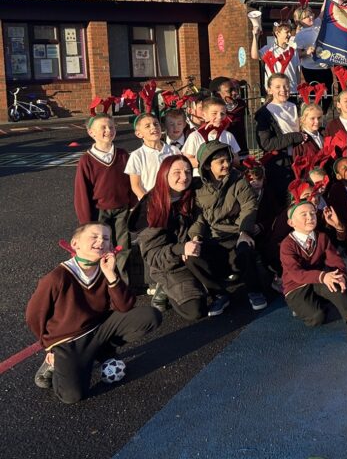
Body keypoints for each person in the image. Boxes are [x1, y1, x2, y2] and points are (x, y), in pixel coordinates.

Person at [26, 222, 161, 403]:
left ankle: (102, 350)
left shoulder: (105, 269)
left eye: (106, 238)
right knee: (72, 396)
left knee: (150, 316)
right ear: (75, 244)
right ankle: (54, 363)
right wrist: (49, 347)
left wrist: (111, 275)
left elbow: (125, 306)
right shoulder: (56, 278)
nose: (101, 241)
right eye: (94, 236)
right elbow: (33, 316)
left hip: (99, 328)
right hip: (69, 341)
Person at [135, 156, 225, 318]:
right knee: (195, 311)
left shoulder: (196, 190)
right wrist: (181, 249)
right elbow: (152, 255)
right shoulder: (151, 207)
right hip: (170, 264)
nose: (184, 177)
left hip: (196, 252)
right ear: (164, 174)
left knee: (234, 265)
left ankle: (203, 281)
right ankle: (164, 286)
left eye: (188, 172)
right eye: (177, 172)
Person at [189, 142, 267, 314]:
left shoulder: (238, 180)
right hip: (213, 236)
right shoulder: (199, 188)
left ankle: (255, 291)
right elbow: (199, 217)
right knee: (192, 257)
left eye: (227, 160)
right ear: (208, 165)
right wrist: (195, 237)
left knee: (245, 249)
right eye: (220, 162)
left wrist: (244, 231)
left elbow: (249, 205)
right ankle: (218, 295)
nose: (226, 164)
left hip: (235, 232)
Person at [279, 200, 347, 339]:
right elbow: (296, 274)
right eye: (304, 214)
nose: (310, 217)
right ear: (291, 223)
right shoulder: (287, 245)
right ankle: (308, 305)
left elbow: (335, 260)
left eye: (312, 213)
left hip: (320, 279)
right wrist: (322, 276)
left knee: (334, 281)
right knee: (316, 318)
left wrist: (341, 275)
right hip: (297, 285)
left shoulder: (321, 237)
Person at [73, 113, 135, 282]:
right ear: (91, 132)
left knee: (123, 246)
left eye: (112, 127)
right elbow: (82, 192)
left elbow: (132, 181)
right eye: (103, 127)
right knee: (101, 247)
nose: (108, 130)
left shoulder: (123, 155)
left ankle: (124, 282)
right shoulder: (86, 160)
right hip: (100, 213)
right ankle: (103, 281)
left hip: (122, 209)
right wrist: (86, 222)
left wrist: (133, 204)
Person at [254, 73, 306, 208]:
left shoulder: (297, 106)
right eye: (278, 87)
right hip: (280, 166)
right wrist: (295, 136)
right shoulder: (264, 113)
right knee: (284, 204)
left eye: (286, 86)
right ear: (269, 90)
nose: (283, 90)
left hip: (300, 161)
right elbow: (267, 144)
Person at [182, 97, 242, 173]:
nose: (219, 117)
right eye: (214, 113)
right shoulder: (195, 136)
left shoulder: (228, 136)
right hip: (201, 179)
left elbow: (236, 160)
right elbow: (187, 160)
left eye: (222, 114)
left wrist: (225, 161)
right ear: (204, 115)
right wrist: (210, 163)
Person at [124, 112, 176, 200]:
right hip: (151, 203)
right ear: (139, 134)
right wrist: (149, 202)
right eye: (147, 126)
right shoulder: (137, 156)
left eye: (156, 124)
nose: (153, 127)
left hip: (173, 200)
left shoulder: (174, 150)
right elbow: (136, 186)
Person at [255, 21, 301, 93]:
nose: (289, 34)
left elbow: (297, 73)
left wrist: (298, 88)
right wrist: (255, 37)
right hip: (274, 92)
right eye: (287, 32)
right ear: (277, 33)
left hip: (291, 91)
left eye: (290, 32)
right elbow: (254, 55)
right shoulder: (268, 49)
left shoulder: (293, 51)